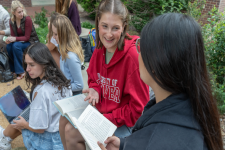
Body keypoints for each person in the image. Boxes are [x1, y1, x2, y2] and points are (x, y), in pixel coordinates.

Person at [97, 13, 223, 150]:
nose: (137, 54)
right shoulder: (192, 108)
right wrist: (124, 145)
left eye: (140, 47)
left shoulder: (161, 141)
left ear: (157, 63)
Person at [59, 0, 149, 149]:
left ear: (124, 27)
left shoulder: (132, 57)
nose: (108, 34)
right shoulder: (101, 48)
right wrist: (95, 88)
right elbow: (94, 77)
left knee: (71, 131)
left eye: (115, 28)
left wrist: (105, 119)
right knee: (64, 120)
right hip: (102, 111)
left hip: (124, 122)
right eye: (104, 26)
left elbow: (138, 109)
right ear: (98, 23)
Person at [0, 42, 72, 150]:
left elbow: (39, 129)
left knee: (19, 119)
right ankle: (5, 136)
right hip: (62, 138)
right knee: (25, 114)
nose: (27, 69)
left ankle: (4, 138)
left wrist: (24, 124)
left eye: (32, 65)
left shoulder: (41, 91)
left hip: (48, 142)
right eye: (26, 64)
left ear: (44, 63)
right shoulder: (64, 82)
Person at [6, 0, 39, 80]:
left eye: (22, 11)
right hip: (20, 42)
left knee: (16, 45)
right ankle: (13, 69)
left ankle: (22, 70)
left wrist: (14, 39)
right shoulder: (12, 21)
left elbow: (27, 37)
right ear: (14, 13)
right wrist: (9, 39)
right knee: (9, 46)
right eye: (19, 12)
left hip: (31, 41)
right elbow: (14, 36)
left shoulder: (27, 19)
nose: (21, 14)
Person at [52, 15, 84, 95]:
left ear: (64, 35)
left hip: (73, 96)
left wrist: (60, 87)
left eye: (56, 34)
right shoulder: (62, 49)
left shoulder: (71, 57)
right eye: (53, 33)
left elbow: (79, 85)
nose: (53, 37)